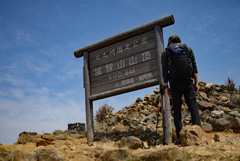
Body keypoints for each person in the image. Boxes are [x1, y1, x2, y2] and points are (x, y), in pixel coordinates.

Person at [162, 35, 201, 143]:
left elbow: (164, 71)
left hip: (174, 83)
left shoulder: (166, 52)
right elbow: (194, 67)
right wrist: (196, 83)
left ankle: (179, 136)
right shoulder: (188, 49)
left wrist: (166, 87)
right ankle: (198, 131)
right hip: (188, 81)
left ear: (170, 41)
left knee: (177, 109)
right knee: (193, 106)